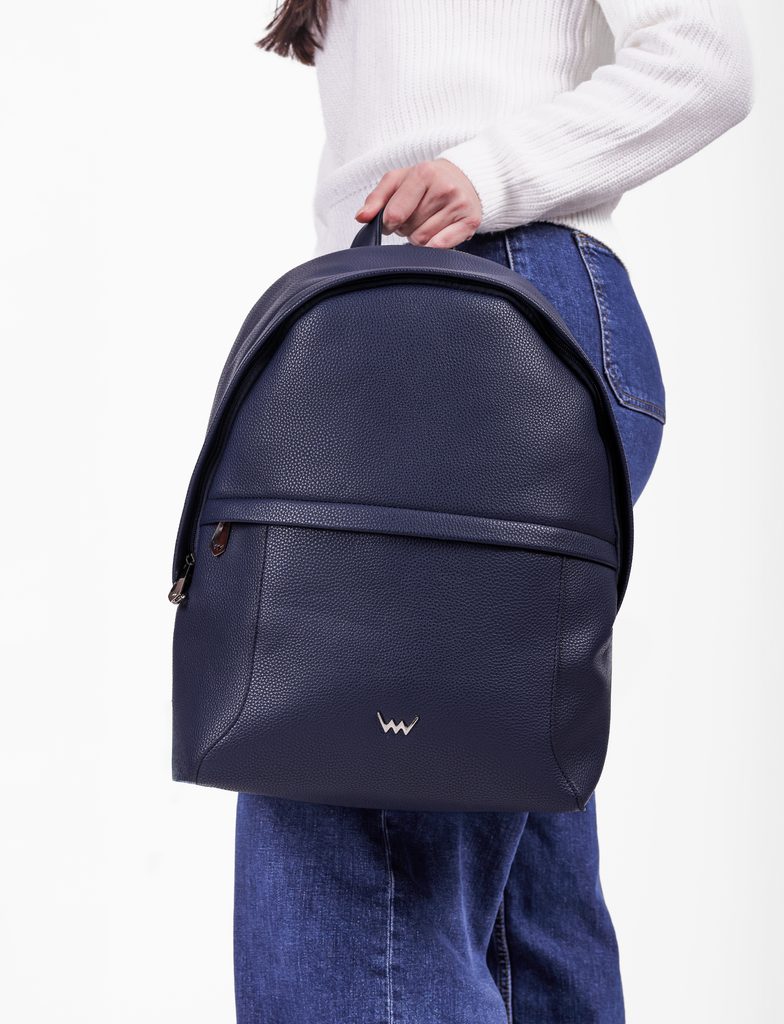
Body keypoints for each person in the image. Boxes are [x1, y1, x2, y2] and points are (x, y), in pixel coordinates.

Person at [233, 2, 754, 1021]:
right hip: (415, 315)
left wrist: (489, 170)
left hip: (481, 310)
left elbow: (707, 56)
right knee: (520, 899)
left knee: (357, 842)